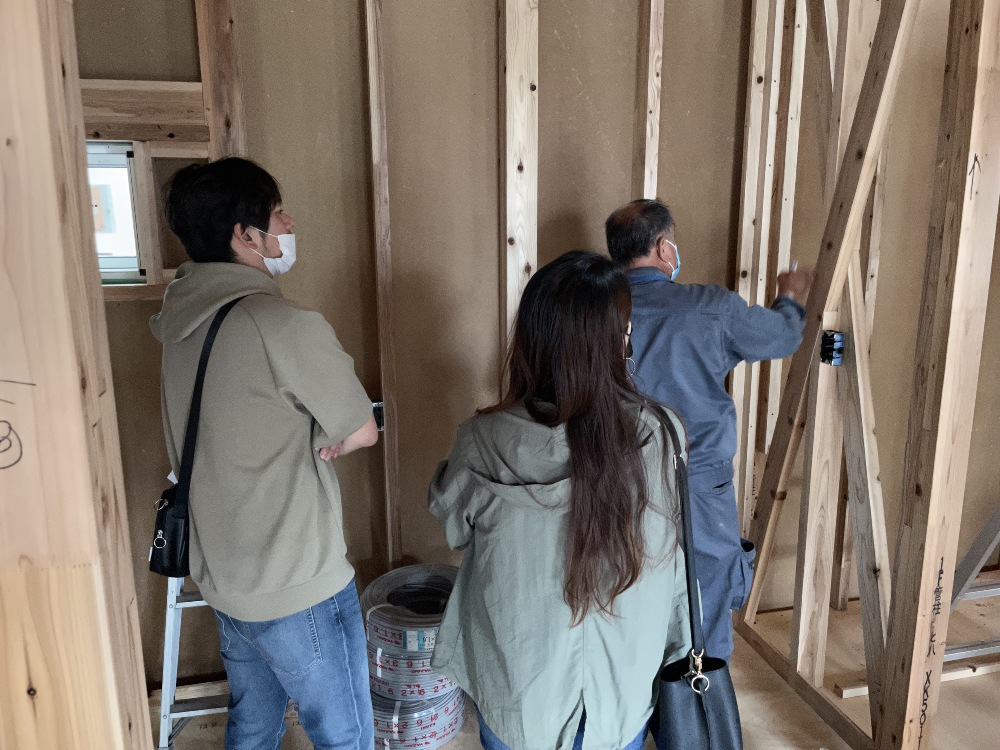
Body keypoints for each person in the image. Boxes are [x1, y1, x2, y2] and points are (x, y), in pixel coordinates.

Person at [151, 157, 379, 750]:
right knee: (347, 734)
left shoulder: (180, 322)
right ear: (244, 235)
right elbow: (361, 430)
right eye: (278, 214)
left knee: (254, 723)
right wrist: (323, 435)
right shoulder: (281, 324)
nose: (289, 223)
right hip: (297, 581)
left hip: (224, 576)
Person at [428, 251, 691, 750]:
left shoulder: (482, 440)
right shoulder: (665, 434)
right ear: (619, 339)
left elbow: (455, 531)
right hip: (623, 691)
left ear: (531, 340)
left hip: (521, 690)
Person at [605, 198, 813, 665]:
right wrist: (790, 296)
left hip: (617, 478)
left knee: (626, 581)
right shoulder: (709, 308)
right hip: (697, 478)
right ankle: (702, 683)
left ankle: (637, 688)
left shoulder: (593, 312)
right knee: (708, 583)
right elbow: (780, 336)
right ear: (664, 248)